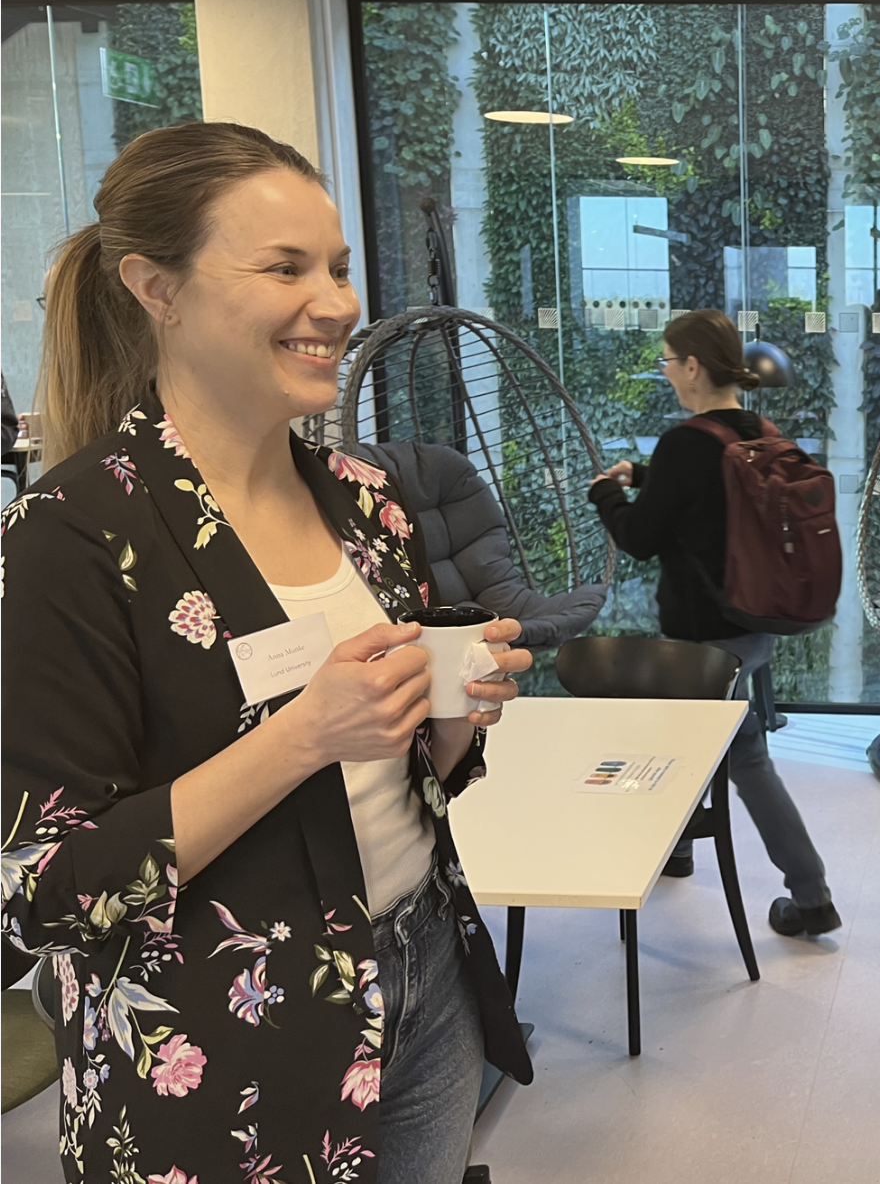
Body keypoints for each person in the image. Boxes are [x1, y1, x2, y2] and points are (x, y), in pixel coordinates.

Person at [2, 121, 533, 1184]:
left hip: (421, 972)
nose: (335, 302)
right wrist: (301, 738)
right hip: (215, 1041)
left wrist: (451, 723)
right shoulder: (76, 533)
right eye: (284, 267)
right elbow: (44, 893)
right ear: (159, 288)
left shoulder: (368, 503)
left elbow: (401, 783)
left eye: (336, 267)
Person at [588, 309, 839, 937]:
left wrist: (608, 495)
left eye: (669, 362)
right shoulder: (754, 428)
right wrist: (645, 478)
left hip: (701, 643)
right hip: (754, 628)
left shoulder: (684, 442)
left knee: (737, 757)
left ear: (693, 366)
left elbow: (641, 538)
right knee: (711, 744)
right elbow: (710, 500)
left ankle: (811, 898)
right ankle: (680, 851)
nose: (667, 373)